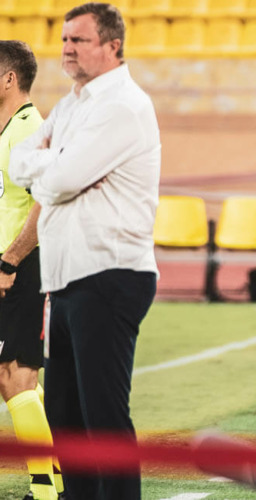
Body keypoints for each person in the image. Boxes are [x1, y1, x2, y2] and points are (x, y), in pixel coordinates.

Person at [8, 3, 160, 499]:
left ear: (112, 46)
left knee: (103, 416)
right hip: (67, 277)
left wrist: (51, 168)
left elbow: (59, 181)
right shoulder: (72, 105)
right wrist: (54, 167)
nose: (68, 49)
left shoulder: (123, 106)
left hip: (109, 273)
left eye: (80, 40)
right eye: (65, 39)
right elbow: (19, 163)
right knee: (65, 416)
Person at [0, 40, 64, 500]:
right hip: (5, 266)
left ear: (9, 78)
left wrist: (10, 262)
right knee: (10, 379)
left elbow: (44, 206)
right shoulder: (6, 130)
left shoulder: (30, 131)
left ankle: (45, 493)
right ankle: (56, 480)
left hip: (20, 267)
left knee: (17, 376)